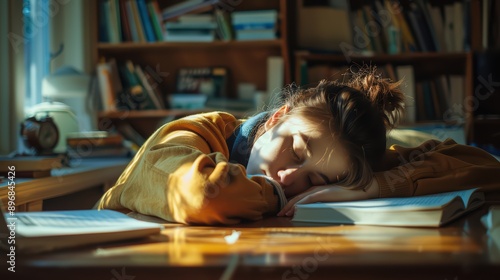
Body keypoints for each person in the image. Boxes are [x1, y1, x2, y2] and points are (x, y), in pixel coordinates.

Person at [96, 68, 500, 225]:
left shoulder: (348, 169)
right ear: (276, 118)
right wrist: (271, 193)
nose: (290, 179)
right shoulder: (198, 133)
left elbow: (484, 166)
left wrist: (372, 187)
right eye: (296, 150)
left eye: (316, 180)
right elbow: (207, 194)